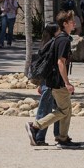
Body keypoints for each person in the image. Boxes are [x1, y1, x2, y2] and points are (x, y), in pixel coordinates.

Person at [28, 10, 77, 147]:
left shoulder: (60, 38)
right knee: (63, 110)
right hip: (57, 82)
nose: (74, 23)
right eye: (71, 21)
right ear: (65, 24)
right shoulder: (64, 40)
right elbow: (60, 62)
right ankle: (36, 126)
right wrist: (67, 83)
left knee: (66, 110)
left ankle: (62, 137)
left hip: (54, 81)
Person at [31, 23, 60, 146]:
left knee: (60, 108)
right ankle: (37, 134)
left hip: (46, 81)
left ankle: (59, 135)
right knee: (46, 109)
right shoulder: (53, 44)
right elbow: (49, 65)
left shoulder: (45, 43)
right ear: (54, 32)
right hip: (50, 82)